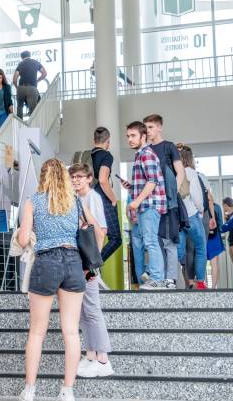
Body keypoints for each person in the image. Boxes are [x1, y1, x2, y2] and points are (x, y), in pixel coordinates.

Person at [17, 159, 85, 401]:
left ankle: (30, 392)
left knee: (37, 332)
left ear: (43, 176)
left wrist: (26, 234)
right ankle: (67, 393)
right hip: (73, 261)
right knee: (70, 331)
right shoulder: (74, 201)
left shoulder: (33, 201)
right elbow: (81, 232)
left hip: (46, 261)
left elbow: (24, 240)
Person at [68, 164, 114, 379]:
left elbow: (100, 231)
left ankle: (103, 358)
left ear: (89, 178)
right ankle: (91, 355)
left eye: (79, 177)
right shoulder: (77, 199)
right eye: (73, 177)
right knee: (84, 312)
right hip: (80, 262)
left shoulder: (92, 198)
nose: (75, 180)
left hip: (88, 263)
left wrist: (92, 262)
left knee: (92, 310)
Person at [122, 121, 168, 289]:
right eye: (128, 136)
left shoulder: (146, 154)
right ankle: (155, 278)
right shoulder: (140, 155)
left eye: (133, 135)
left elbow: (152, 181)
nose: (129, 139)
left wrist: (136, 201)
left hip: (149, 205)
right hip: (146, 205)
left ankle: (156, 279)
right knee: (149, 241)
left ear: (143, 136)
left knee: (150, 242)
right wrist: (132, 188)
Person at [144, 114, 186, 289]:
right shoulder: (146, 150)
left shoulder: (169, 147)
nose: (148, 131)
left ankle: (171, 278)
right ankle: (158, 277)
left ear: (159, 127)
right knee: (155, 240)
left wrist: (170, 195)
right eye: (145, 127)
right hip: (152, 203)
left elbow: (180, 173)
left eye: (151, 127)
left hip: (168, 202)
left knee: (169, 241)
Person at [74, 127, 122, 264]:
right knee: (115, 238)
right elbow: (102, 179)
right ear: (108, 142)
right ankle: (93, 264)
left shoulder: (85, 155)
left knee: (89, 235)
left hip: (84, 199)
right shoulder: (107, 155)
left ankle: (89, 264)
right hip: (101, 199)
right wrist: (113, 199)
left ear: (93, 140)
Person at [176, 144, 209, 289]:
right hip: (191, 215)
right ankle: (200, 282)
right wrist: (201, 210)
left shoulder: (173, 172)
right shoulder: (190, 172)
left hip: (177, 217)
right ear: (190, 158)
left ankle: (177, 279)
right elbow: (196, 196)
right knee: (201, 247)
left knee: (179, 251)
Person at [12, 50, 46, 119]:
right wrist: (37, 80)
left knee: (20, 107)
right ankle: (33, 126)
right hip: (32, 88)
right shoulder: (36, 62)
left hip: (21, 87)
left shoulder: (20, 64)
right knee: (33, 109)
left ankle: (19, 125)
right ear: (29, 55)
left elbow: (14, 79)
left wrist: (17, 87)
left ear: (22, 57)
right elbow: (44, 73)